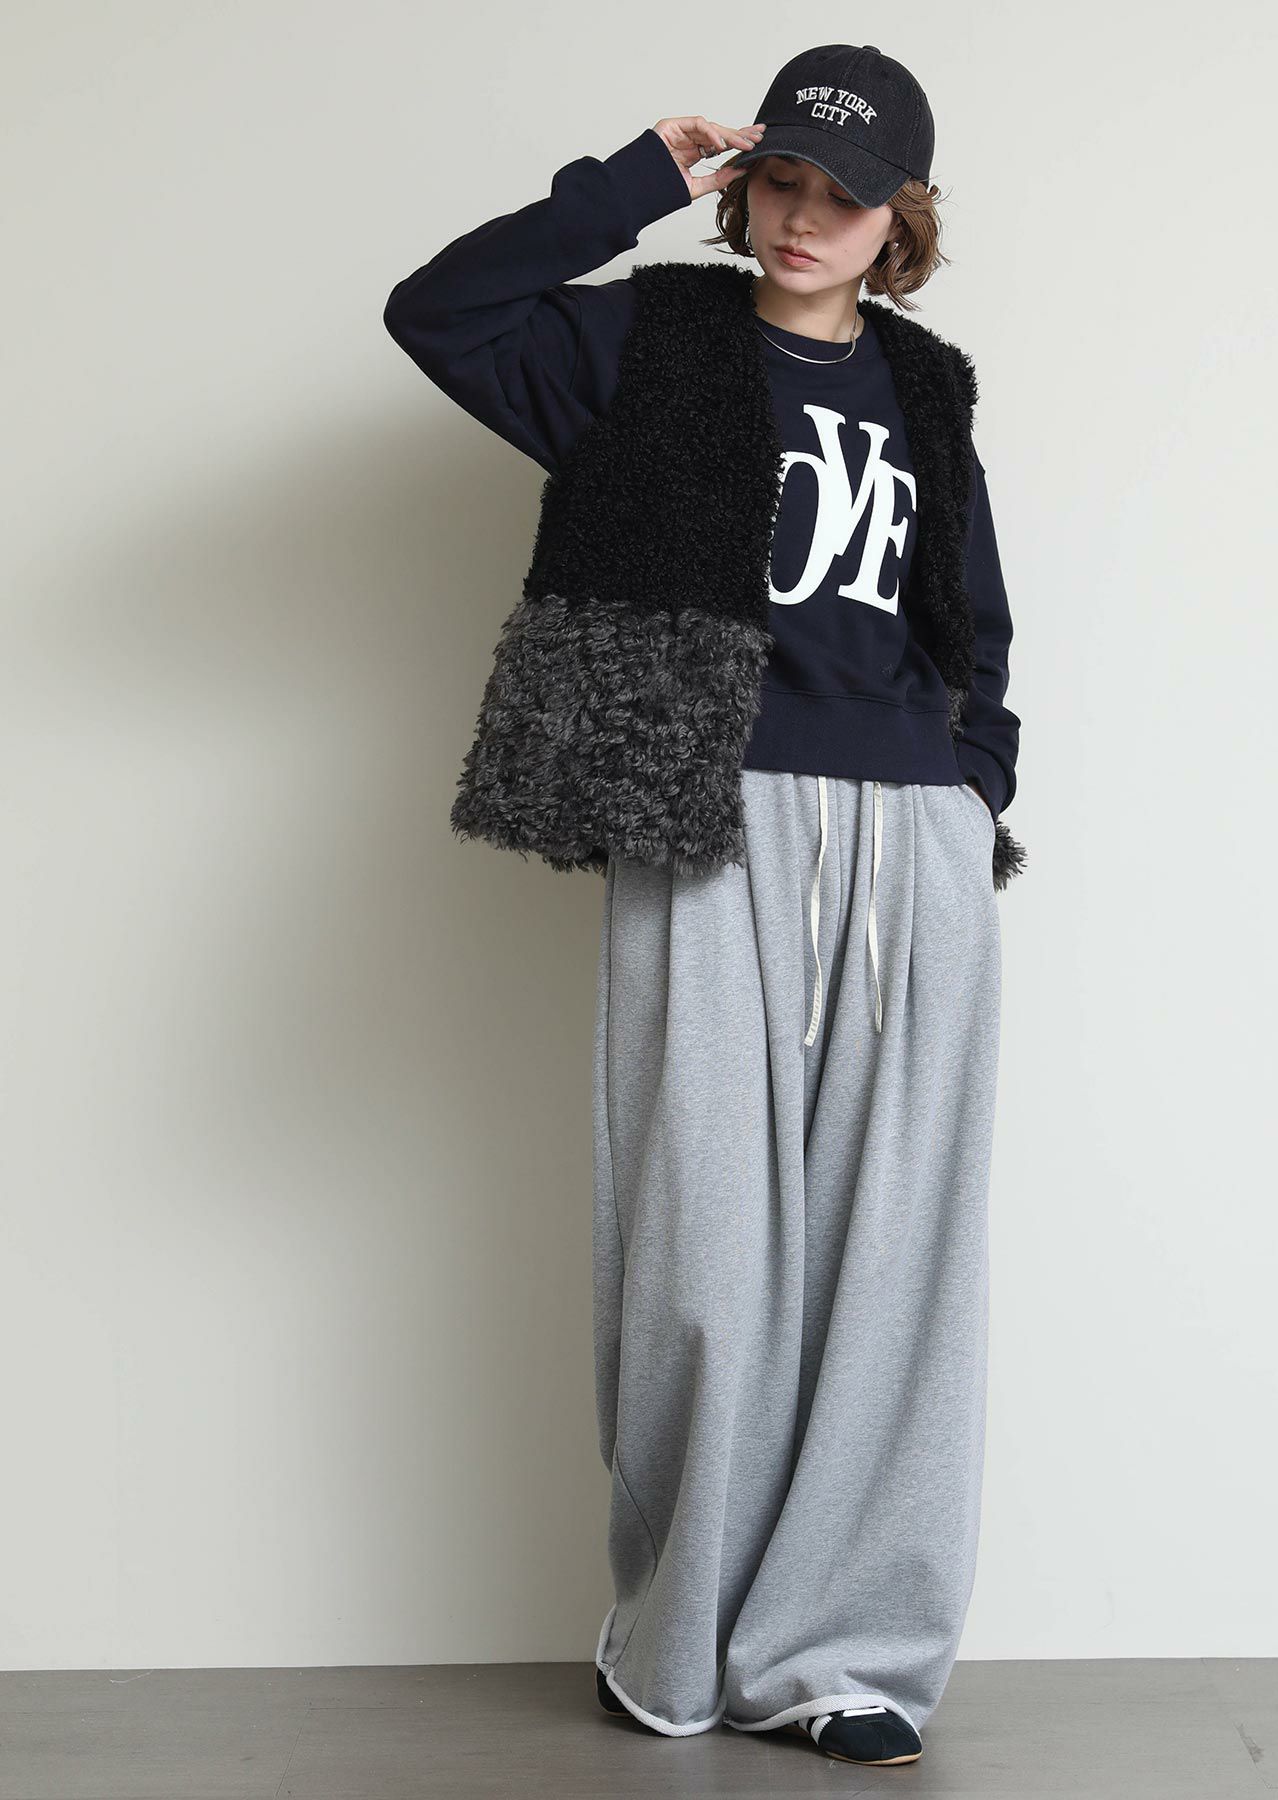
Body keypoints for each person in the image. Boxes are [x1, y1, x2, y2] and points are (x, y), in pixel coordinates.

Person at [384, 43, 1024, 1770]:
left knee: (896, 1269)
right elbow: (438, 314)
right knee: (704, 1250)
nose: (806, 218)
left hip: (912, 840)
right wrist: (629, 185)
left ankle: (845, 1655)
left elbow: (974, 616)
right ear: (744, 186)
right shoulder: (643, 341)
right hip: (708, 813)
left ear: (901, 219)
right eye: (782, 181)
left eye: (846, 195)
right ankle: (672, 1633)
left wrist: (974, 789)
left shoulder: (928, 384)